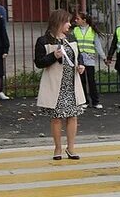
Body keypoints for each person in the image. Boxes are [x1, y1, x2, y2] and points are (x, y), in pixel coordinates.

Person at [34, 9, 86, 160]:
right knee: (57, 117)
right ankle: (57, 148)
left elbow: (79, 55)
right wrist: (53, 56)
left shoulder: (70, 38)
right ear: (59, 22)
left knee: (72, 116)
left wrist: (80, 65)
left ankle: (71, 148)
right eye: (67, 22)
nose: (70, 24)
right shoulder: (44, 40)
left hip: (71, 83)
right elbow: (39, 62)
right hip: (56, 84)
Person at [73, 12, 105, 109]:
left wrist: (103, 57)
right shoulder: (75, 30)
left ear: (84, 20)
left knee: (91, 80)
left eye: (78, 19)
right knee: (81, 80)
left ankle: (95, 101)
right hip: (79, 58)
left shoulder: (92, 31)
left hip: (89, 58)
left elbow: (97, 45)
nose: (76, 20)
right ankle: (84, 101)